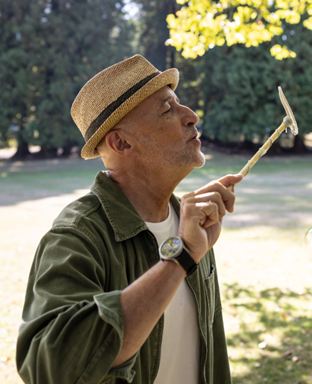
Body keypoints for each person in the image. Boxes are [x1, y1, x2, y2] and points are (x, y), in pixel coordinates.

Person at [16, 55, 241, 384]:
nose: (191, 116)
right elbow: (50, 368)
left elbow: (211, 351)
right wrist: (181, 257)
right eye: (167, 109)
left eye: (180, 105)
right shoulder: (76, 235)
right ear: (121, 142)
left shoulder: (189, 221)